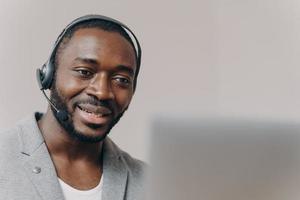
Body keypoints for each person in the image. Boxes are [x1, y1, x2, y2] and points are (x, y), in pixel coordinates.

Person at [0, 15, 145, 200]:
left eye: (121, 80)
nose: (102, 92)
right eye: (84, 72)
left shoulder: (150, 183)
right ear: (49, 75)